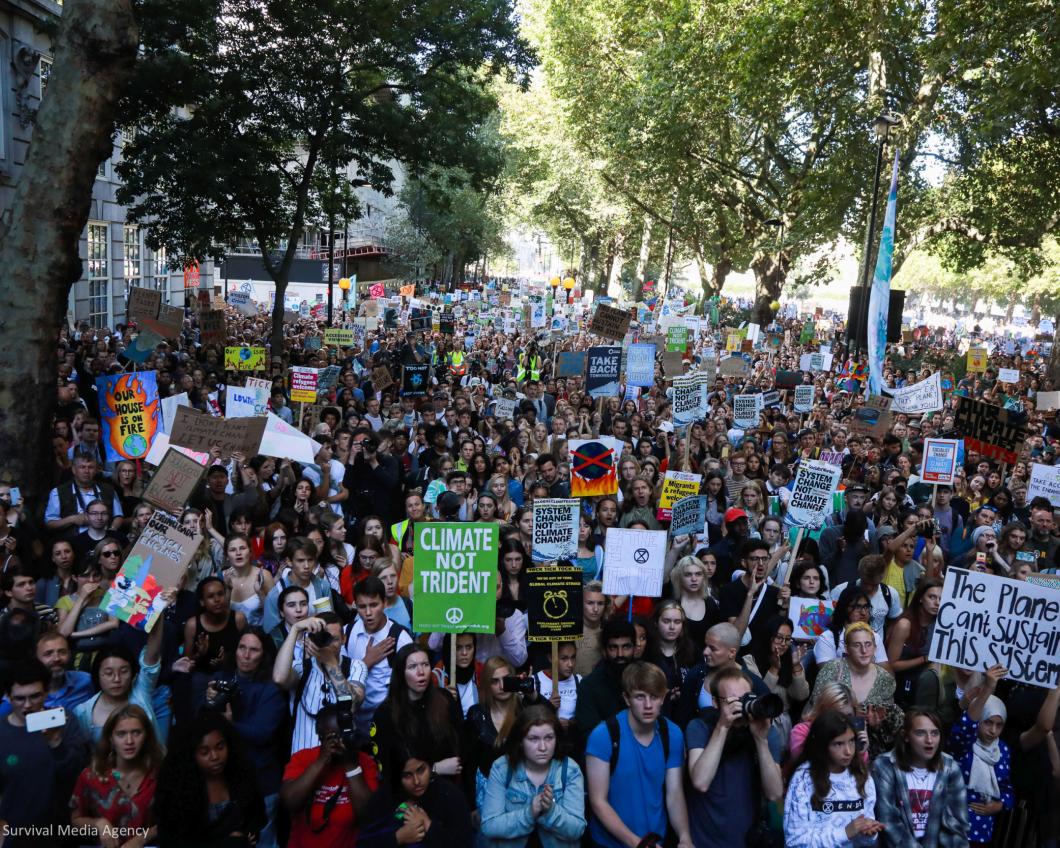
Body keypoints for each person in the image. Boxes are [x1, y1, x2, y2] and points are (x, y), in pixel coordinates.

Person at [584, 661, 692, 848]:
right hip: (610, 843)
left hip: (655, 839)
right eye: (640, 697)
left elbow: (674, 793)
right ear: (627, 699)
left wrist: (685, 837)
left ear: (663, 697)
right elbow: (598, 801)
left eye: (654, 696)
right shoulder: (604, 735)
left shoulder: (672, 734)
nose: (648, 705)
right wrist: (639, 844)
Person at [204, 627, 288, 848]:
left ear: (264, 655)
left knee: (263, 842)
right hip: (226, 781)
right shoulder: (221, 679)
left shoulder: (271, 689)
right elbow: (202, 729)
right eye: (242, 648)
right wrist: (209, 703)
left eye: (253, 650)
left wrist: (230, 725)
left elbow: (262, 733)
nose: (246, 655)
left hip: (261, 781)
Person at [685, 665, 784, 848]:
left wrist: (760, 741)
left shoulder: (766, 732)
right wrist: (722, 727)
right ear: (715, 702)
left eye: (744, 698)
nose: (739, 705)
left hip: (747, 840)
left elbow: (775, 793)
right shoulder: (700, 728)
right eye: (731, 700)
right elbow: (700, 781)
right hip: (705, 841)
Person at [0, 660, 90, 846]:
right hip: (14, 836)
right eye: (19, 698)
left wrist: (55, 742)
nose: (27, 705)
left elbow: (79, 774)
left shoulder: (64, 721)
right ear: (8, 697)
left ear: (47, 692)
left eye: (35, 696)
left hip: (59, 833)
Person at [74, 587, 174, 745]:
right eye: (108, 673)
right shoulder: (83, 712)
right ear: (97, 675)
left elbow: (152, 655)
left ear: (133, 673)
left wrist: (158, 609)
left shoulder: (141, 692)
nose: (117, 679)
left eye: (124, 671)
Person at [480, 705, 587, 847]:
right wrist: (529, 813)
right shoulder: (502, 768)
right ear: (520, 742)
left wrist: (551, 811)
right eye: (533, 739)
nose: (543, 747)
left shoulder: (570, 770)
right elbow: (489, 826)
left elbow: (577, 829)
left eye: (549, 738)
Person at [154, 712, 266, 847]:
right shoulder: (178, 789)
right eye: (205, 752)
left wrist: (249, 833)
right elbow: (172, 840)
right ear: (192, 755)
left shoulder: (242, 776)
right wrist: (228, 843)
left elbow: (256, 817)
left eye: (220, 747)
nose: (215, 756)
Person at [279, 703, 379, 848]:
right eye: (333, 737)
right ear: (320, 737)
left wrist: (351, 766)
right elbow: (289, 802)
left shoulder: (364, 762)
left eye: (344, 734)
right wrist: (321, 761)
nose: (340, 742)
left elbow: (368, 816)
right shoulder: (303, 758)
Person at [871, 708, 970, 847]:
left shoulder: (950, 768)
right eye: (920, 733)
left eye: (935, 733)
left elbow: (958, 825)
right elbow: (888, 823)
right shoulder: (884, 766)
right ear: (905, 736)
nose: (929, 740)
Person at [784, 710, 884, 848]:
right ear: (822, 745)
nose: (848, 751)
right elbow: (794, 841)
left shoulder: (863, 776)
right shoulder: (803, 778)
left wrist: (868, 834)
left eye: (851, 741)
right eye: (838, 744)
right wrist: (844, 833)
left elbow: (863, 840)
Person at [69, 704, 164, 848]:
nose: (129, 741)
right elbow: (75, 820)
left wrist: (142, 839)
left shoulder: (160, 774)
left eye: (136, 732)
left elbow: (175, 819)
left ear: (147, 736)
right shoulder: (92, 776)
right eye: (121, 734)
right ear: (111, 738)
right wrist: (98, 823)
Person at [273, 612, 368, 754]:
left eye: (334, 639)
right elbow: (279, 678)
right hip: (303, 758)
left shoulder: (355, 666)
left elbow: (353, 704)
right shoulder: (301, 667)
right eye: (323, 638)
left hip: (341, 757)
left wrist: (330, 663)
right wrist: (295, 630)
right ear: (311, 639)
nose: (327, 644)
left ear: (344, 639)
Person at [812, 622, 904, 759]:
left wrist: (876, 725)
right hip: (830, 741)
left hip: (870, 750)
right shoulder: (832, 669)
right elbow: (815, 709)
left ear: (875, 648)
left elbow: (889, 726)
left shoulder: (885, 679)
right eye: (857, 645)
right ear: (847, 648)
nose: (864, 650)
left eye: (868, 644)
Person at [357, 745, 475, 848]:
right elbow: (364, 843)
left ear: (430, 766)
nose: (417, 781)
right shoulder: (384, 798)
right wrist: (398, 837)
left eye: (421, 770)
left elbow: (463, 843)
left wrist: (429, 826)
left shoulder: (449, 795)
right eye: (407, 775)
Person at [948, 665, 1014, 846]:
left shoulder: (1003, 750)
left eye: (998, 725)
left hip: (983, 832)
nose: (993, 730)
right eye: (988, 722)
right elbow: (967, 725)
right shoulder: (965, 743)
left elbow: (1007, 789)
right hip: (953, 827)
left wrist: (1000, 805)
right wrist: (989, 688)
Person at [344, 576, 413, 732]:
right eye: (362, 607)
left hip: (388, 729)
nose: (368, 613)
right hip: (355, 727)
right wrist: (365, 662)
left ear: (384, 603)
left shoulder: (400, 638)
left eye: (373, 605)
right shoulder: (347, 633)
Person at [573, 618, 635, 740]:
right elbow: (590, 734)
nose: (620, 654)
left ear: (635, 648)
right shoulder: (589, 686)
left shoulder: (645, 680)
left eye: (626, 647)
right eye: (613, 647)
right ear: (604, 650)